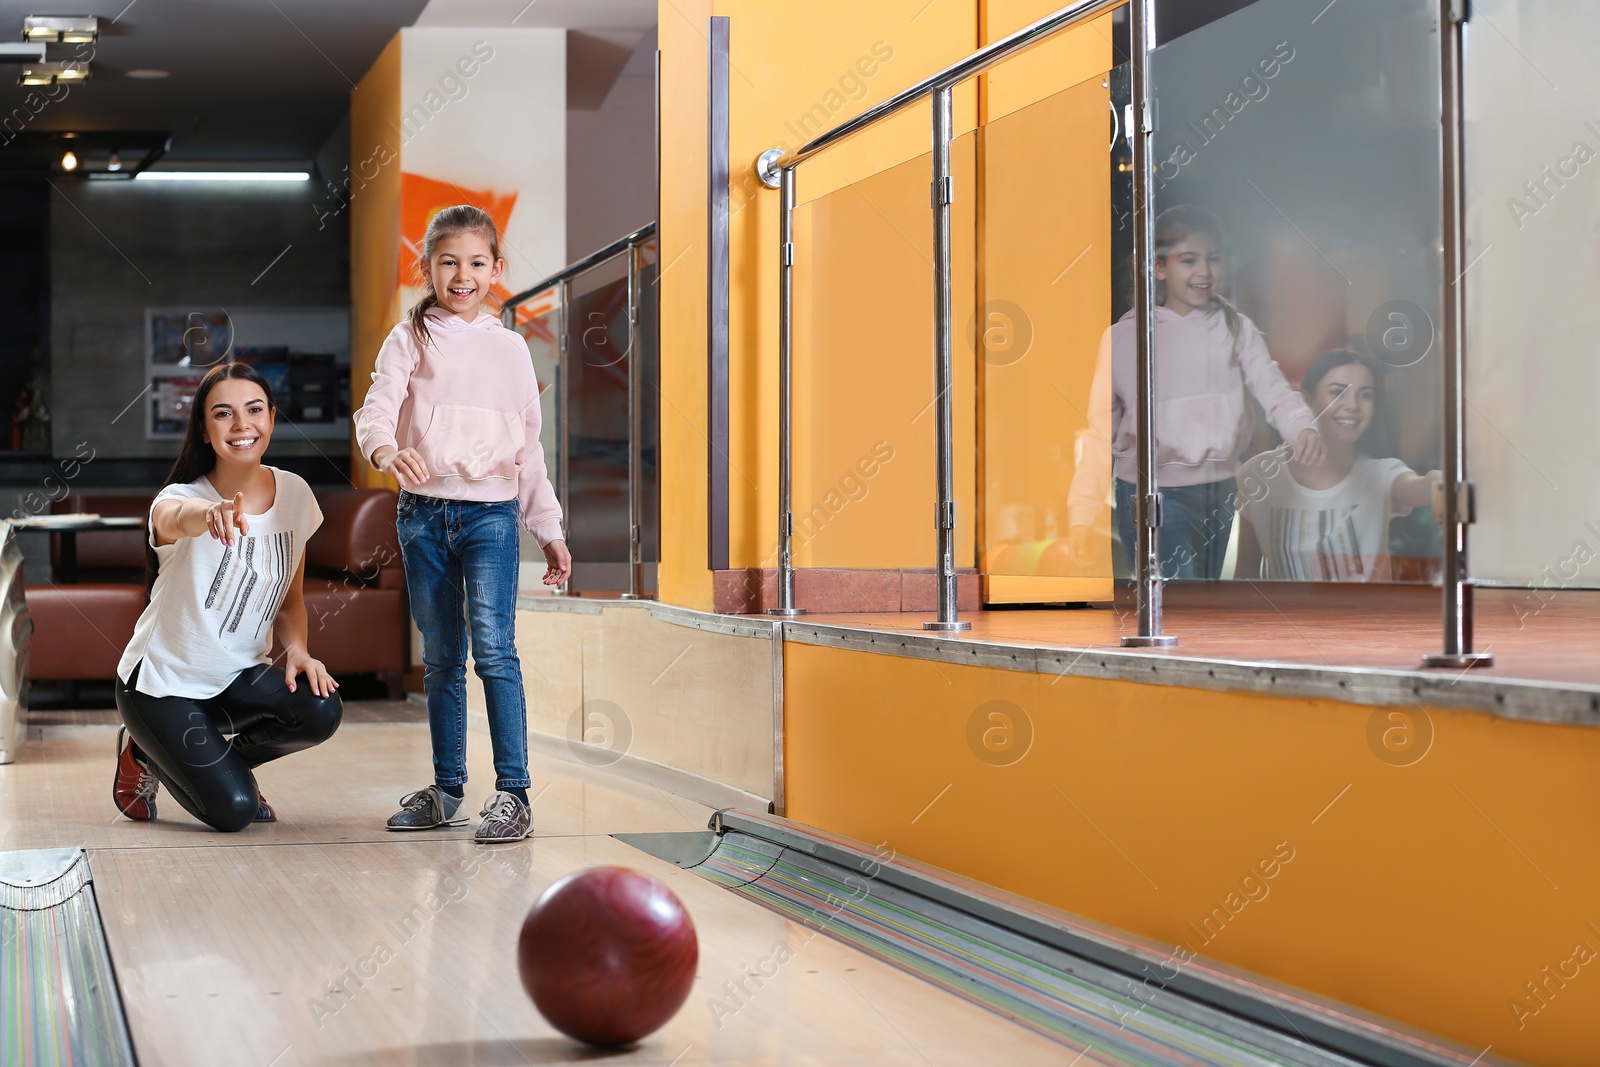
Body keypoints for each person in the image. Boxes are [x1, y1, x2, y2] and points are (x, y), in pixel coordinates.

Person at [354, 204, 571, 844]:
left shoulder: (510, 350)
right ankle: (448, 790)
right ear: (427, 268)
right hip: (422, 516)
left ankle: (514, 794)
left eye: (476, 262)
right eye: (448, 261)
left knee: (495, 652)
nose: (462, 274)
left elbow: (529, 450)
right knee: (443, 656)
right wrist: (387, 452)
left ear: (497, 269)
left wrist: (549, 529)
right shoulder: (408, 339)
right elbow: (376, 410)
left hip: (493, 519)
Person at [113, 363, 342, 832]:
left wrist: (298, 650)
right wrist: (209, 512)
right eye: (223, 414)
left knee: (320, 709)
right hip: (160, 686)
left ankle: (201, 762)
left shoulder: (295, 493)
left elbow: (291, 600)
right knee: (235, 810)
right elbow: (176, 518)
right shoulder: (177, 497)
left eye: (254, 410)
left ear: (272, 419)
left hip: (235, 679)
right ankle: (146, 751)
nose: (242, 425)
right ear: (203, 428)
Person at [1067, 204, 1324, 579]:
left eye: (1213, 259)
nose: (1204, 271)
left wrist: (1302, 426)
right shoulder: (1122, 339)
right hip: (1149, 494)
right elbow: (1099, 432)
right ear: (1158, 268)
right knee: (1178, 599)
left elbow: (1274, 390)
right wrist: (1082, 510)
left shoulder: (1237, 330)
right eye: (1189, 260)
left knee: (1201, 605)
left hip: (1217, 491)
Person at [1235, 348, 1438, 581]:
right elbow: (1245, 577)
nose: (1352, 405)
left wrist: (1441, 483)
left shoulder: (1382, 474)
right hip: (1286, 618)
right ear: (1307, 400)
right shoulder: (1258, 475)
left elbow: (1422, 487)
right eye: (1338, 392)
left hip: (1367, 617)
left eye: (1365, 395)